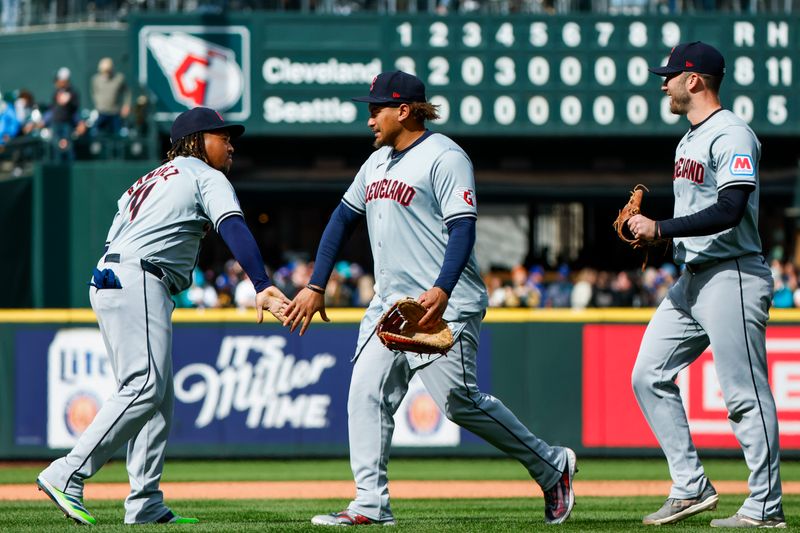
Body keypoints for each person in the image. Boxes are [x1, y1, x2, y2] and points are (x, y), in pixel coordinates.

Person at [283, 70, 577, 527]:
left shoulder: (445, 156)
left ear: (403, 110)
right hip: (392, 307)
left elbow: (463, 227)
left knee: (458, 401)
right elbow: (340, 220)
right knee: (365, 394)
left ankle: (551, 465)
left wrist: (441, 288)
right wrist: (316, 283)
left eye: (374, 110)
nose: (369, 121)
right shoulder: (376, 163)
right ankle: (370, 505)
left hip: (446, 303)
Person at [36, 106, 291, 525]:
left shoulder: (149, 178)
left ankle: (145, 503)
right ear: (195, 141)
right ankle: (67, 473)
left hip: (114, 275)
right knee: (146, 386)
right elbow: (233, 226)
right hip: (140, 278)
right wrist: (261, 283)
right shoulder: (203, 174)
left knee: (157, 401)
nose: (230, 145)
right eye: (221, 136)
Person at [628, 41, 784, 528]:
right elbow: (698, 216)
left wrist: (662, 228)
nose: (664, 83)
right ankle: (690, 484)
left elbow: (731, 208)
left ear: (694, 80)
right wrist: (661, 244)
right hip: (693, 277)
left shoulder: (732, 132)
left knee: (744, 394)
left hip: (733, 274)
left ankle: (765, 506)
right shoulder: (689, 139)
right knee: (646, 375)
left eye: (670, 75)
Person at [47, 67, 86, 162]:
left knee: (68, 148)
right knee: (57, 148)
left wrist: (80, 123)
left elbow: (75, 110)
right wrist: (44, 121)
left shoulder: (73, 93)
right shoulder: (56, 92)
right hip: (56, 124)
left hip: (67, 124)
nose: (59, 82)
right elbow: (52, 110)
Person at [91, 57, 131, 136]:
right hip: (101, 113)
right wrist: (98, 103)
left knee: (118, 135)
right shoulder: (96, 79)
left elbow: (127, 92)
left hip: (115, 113)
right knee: (97, 134)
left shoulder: (119, 78)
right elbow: (94, 92)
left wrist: (126, 105)